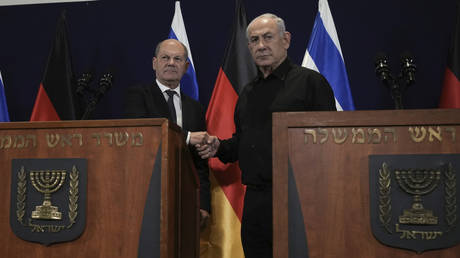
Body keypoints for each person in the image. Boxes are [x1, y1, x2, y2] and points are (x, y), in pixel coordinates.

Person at [195, 13, 336, 257]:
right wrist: (219, 146)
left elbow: (331, 142)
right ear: (248, 47)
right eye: (254, 40)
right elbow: (244, 142)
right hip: (256, 201)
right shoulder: (248, 93)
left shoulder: (310, 83)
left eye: (268, 37)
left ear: (286, 40)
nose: (261, 45)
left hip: (299, 198)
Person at [124, 39, 210, 228]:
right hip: (146, 192)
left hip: (186, 197)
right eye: (165, 57)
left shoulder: (195, 108)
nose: (171, 63)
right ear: (155, 63)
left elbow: (200, 164)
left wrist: (204, 204)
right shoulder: (138, 95)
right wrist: (187, 137)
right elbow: (144, 136)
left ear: (186, 66)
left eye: (177, 59)